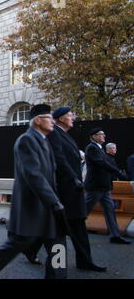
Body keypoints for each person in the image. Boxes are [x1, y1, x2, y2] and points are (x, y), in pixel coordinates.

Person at [0, 104, 67, 279]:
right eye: (49, 118)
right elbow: (33, 174)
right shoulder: (26, 140)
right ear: (37, 120)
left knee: (57, 245)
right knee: (22, 240)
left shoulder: (45, 140)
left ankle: (58, 276)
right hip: (33, 202)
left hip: (47, 203)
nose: (53, 121)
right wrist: (53, 201)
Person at [23, 107, 106, 272]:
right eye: (70, 115)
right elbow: (59, 160)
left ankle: (84, 260)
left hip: (72, 189)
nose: (73, 117)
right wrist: (73, 179)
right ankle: (48, 263)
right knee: (59, 230)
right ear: (60, 118)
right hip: (63, 189)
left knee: (77, 225)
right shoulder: (53, 133)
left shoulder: (64, 134)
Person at [84, 128, 130, 244]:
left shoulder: (99, 149)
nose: (104, 136)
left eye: (104, 134)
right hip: (95, 186)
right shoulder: (92, 148)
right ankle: (68, 228)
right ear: (94, 136)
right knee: (84, 210)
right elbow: (102, 163)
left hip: (104, 187)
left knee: (110, 211)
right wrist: (118, 173)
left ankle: (115, 235)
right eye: (101, 134)